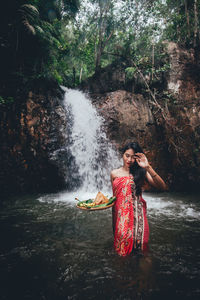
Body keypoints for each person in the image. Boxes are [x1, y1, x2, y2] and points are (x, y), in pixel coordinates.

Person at [110, 141, 167, 256]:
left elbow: (163, 187)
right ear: (122, 154)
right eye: (127, 156)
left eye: (133, 157)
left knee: (143, 253)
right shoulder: (114, 174)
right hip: (121, 220)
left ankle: (144, 274)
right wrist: (114, 225)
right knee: (121, 255)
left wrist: (148, 167)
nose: (129, 160)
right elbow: (114, 200)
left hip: (138, 218)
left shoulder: (142, 173)